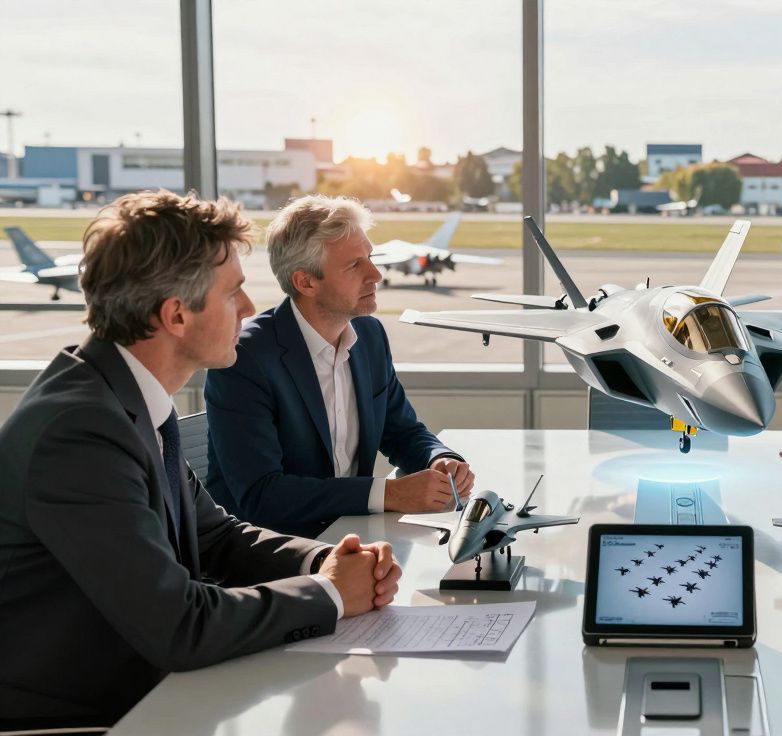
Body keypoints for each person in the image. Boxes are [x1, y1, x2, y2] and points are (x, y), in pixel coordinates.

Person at [0, 191, 401, 729]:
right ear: (176, 315)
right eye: (233, 292)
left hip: (148, 693)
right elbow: (178, 626)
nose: (249, 308)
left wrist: (325, 561)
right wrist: (330, 594)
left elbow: (215, 537)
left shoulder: (124, 397)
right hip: (79, 720)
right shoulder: (79, 433)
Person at [205, 195, 473, 538]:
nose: (376, 274)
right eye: (354, 266)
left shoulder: (369, 336)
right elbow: (263, 495)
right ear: (306, 282)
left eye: (370, 258)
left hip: (351, 533)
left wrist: (439, 459)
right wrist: (389, 494)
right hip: (270, 549)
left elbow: (402, 431)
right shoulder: (245, 357)